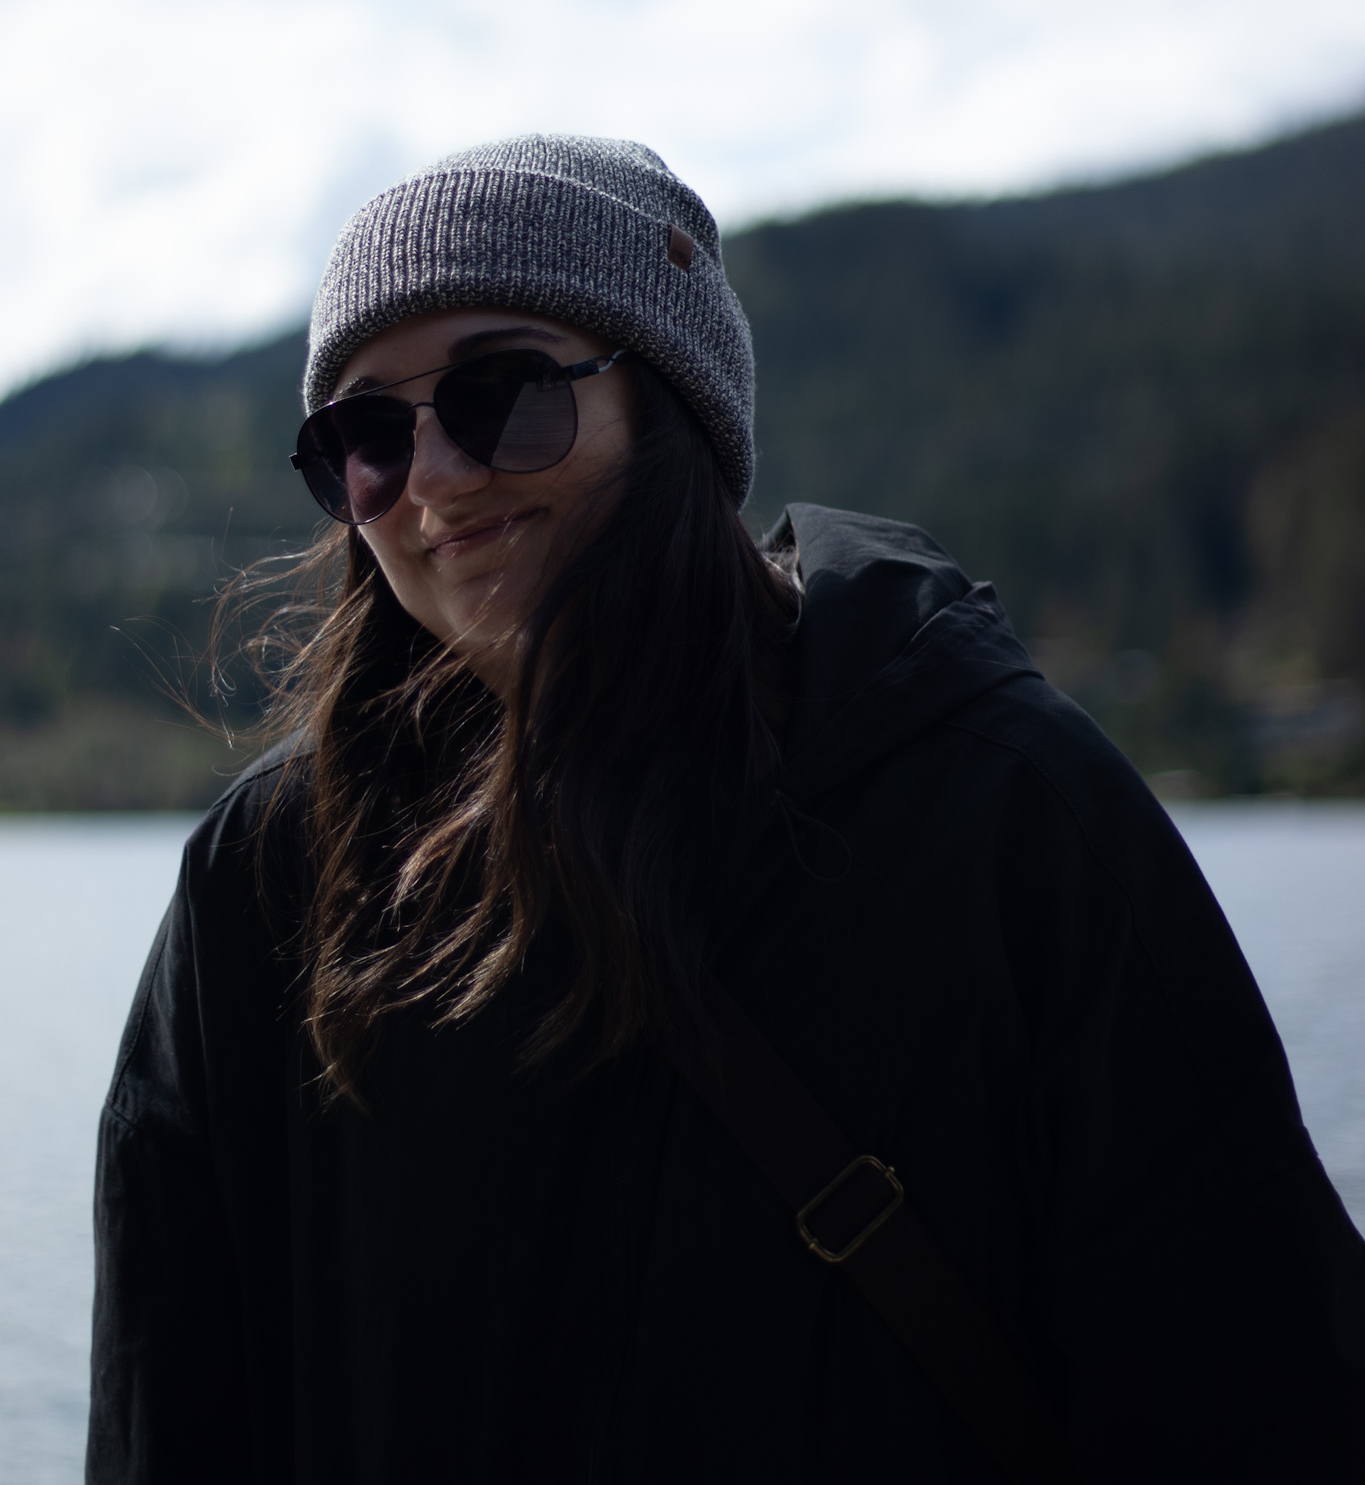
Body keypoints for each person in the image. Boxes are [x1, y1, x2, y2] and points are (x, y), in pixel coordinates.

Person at [88, 135, 1365, 1484]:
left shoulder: (1002, 812)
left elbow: (1257, 1387)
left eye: (503, 393)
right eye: (367, 439)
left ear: (671, 407)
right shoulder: (274, 886)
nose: (437, 478)